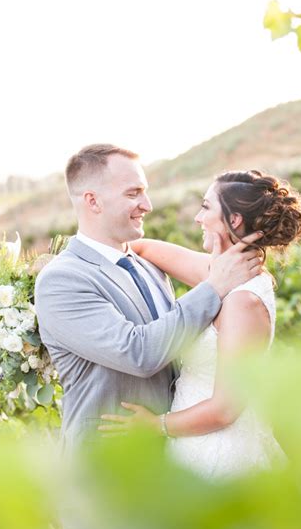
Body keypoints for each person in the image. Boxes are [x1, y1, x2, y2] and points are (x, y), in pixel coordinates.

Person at [98, 169, 301, 529]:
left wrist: (155, 425)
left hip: (223, 458)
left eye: (205, 207)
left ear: (234, 221)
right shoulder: (220, 273)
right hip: (195, 451)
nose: (197, 218)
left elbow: (227, 407)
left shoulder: (244, 301)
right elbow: (142, 247)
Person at [34, 144, 262, 455]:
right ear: (93, 201)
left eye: (146, 192)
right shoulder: (62, 280)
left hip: (175, 460)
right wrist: (214, 286)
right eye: (133, 193)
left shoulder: (148, 265)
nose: (148, 205)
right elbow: (137, 353)